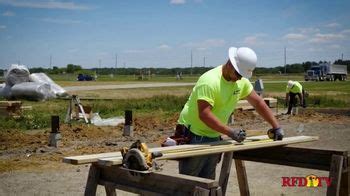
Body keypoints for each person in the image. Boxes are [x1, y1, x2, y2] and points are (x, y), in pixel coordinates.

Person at [177, 47, 284, 179]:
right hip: (194, 135)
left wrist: (276, 126)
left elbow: (258, 103)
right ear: (229, 63)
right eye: (238, 74)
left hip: (213, 134)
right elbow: (204, 114)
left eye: (242, 76)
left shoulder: (241, 82)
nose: (239, 79)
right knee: (189, 182)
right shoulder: (210, 80)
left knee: (207, 181)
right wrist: (230, 132)